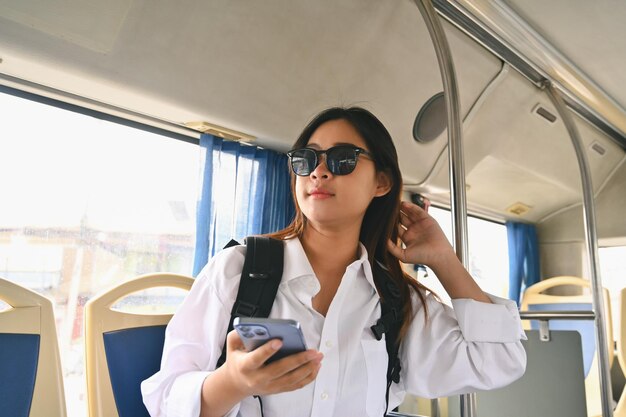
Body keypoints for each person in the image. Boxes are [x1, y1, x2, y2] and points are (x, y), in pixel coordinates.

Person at [141, 107, 526, 417]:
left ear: (382, 183)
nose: (319, 171)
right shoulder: (237, 271)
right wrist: (234, 382)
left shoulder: (394, 301)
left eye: (343, 159)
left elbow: (499, 360)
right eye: (306, 159)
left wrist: (444, 261)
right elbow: (165, 400)